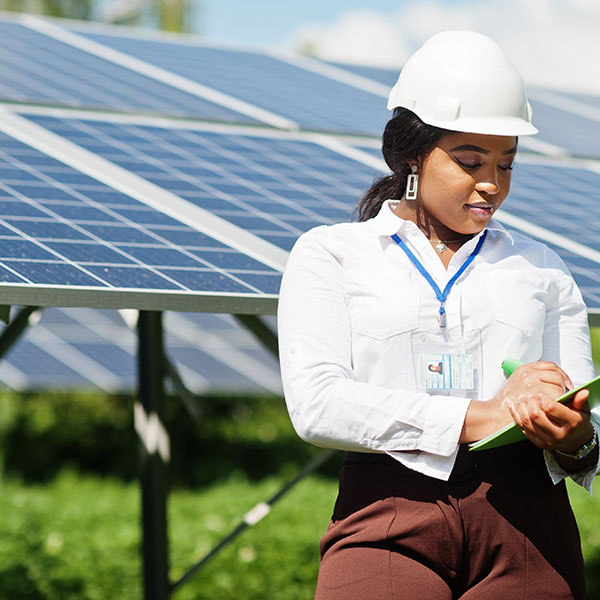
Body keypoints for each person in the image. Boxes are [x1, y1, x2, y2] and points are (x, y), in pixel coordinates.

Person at [277, 31, 600, 600]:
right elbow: (317, 404)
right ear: (410, 155)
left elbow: (586, 425)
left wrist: (574, 438)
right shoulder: (332, 254)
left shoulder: (542, 268)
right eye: (470, 161)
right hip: (388, 513)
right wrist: (485, 415)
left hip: (527, 522)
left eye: (506, 164)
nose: (491, 184)